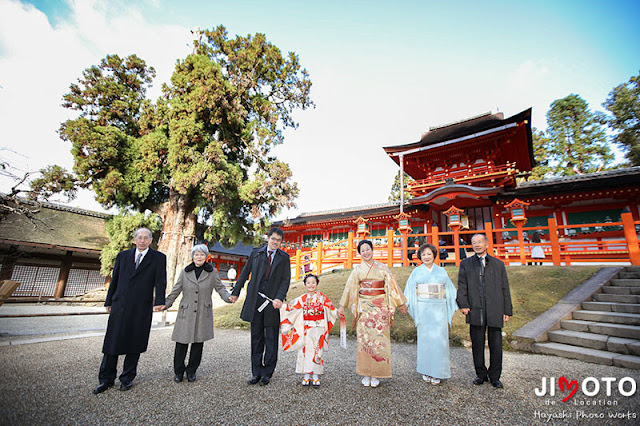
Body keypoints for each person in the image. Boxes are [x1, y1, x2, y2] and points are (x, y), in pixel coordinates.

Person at [93, 228, 167, 394]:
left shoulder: (158, 258)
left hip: (142, 305)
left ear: (150, 240)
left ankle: (127, 379)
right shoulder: (123, 256)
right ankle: (106, 379)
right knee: (112, 342)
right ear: (134, 240)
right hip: (120, 303)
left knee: (135, 342)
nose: (142, 240)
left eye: (145, 238)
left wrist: (160, 301)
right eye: (139, 238)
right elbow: (115, 279)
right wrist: (109, 300)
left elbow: (161, 281)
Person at [337, 240, 408, 388]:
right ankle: (365, 372)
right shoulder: (357, 270)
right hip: (364, 308)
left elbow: (392, 286)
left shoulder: (382, 268)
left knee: (379, 339)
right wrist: (342, 306)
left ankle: (377, 373)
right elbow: (349, 288)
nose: (365, 252)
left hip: (380, 307)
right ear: (359, 253)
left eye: (367, 249)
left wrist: (401, 303)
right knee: (365, 340)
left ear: (372, 250)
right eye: (362, 250)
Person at [228, 227, 291, 386]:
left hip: (272, 303)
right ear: (268, 238)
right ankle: (256, 372)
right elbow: (244, 273)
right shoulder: (256, 253)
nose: (275, 242)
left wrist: (279, 297)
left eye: (278, 240)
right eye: (273, 238)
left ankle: (267, 373)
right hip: (255, 300)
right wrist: (236, 292)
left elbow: (285, 280)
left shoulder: (284, 258)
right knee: (256, 338)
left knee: (270, 338)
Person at [163, 244, 233, 383]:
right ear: (192, 256)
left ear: (206, 256)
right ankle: (178, 372)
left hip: (202, 312)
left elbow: (220, 288)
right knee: (181, 344)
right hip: (186, 312)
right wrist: (165, 304)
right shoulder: (185, 272)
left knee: (197, 345)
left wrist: (228, 297)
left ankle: (191, 371)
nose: (199, 257)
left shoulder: (212, 272)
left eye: (202, 254)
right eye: (196, 254)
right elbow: (176, 290)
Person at [456, 233, 512, 389]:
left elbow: (505, 287)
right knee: (477, 343)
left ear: (487, 244)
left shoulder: (498, 264)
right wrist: (463, 303)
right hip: (475, 307)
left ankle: (495, 376)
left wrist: (507, 309)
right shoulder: (466, 264)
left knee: (496, 343)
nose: (477, 245)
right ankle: (480, 374)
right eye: (474, 243)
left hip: (495, 307)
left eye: (480, 242)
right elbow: (462, 286)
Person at [404, 243, 458, 385]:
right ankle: (426, 370)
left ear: (434, 255)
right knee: (425, 340)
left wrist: (458, 303)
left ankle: (439, 372)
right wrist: (406, 304)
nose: (426, 257)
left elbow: (451, 291)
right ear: (420, 257)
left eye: (429, 254)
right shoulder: (416, 272)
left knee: (440, 341)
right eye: (423, 254)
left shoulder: (441, 271)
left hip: (439, 309)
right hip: (423, 308)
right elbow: (409, 290)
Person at [280, 274, 338, 387]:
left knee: (317, 351)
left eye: (313, 282)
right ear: (305, 285)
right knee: (304, 351)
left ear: (317, 284)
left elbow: (331, 309)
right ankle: (306, 375)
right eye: (308, 283)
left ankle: (316, 375)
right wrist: (282, 306)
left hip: (319, 327)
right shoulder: (302, 298)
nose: (311, 285)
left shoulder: (322, 297)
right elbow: (291, 307)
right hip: (306, 327)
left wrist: (337, 312)